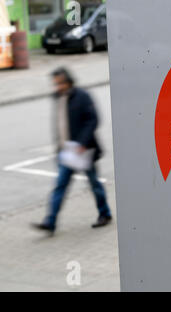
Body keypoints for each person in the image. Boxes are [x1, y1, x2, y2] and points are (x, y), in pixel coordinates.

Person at [32, 67, 112, 234]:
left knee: (94, 184)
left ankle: (105, 214)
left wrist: (82, 143)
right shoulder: (58, 98)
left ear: (68, 81)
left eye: (59, 83)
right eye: (55, 83)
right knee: (60, 186)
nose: (57, 86)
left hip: (83, 151)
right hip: (66, 152)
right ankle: (50, 221)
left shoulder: (82, 96)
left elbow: (93, 120)